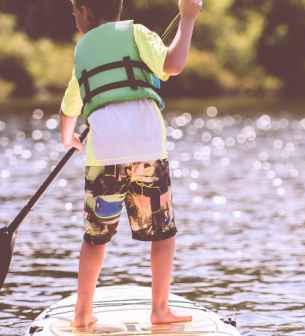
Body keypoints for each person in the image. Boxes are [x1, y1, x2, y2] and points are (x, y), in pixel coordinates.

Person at [59, 0, 202, 328]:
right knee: (162, 234)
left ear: (83, 12)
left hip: (103, 154)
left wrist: (68, 137)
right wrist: (188, 18)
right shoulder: (136, 33)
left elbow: (69, 107)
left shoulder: (82, 50)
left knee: (95, 237)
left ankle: (81, 314)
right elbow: (174, 63)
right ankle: (160, 310)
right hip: (147, 149)